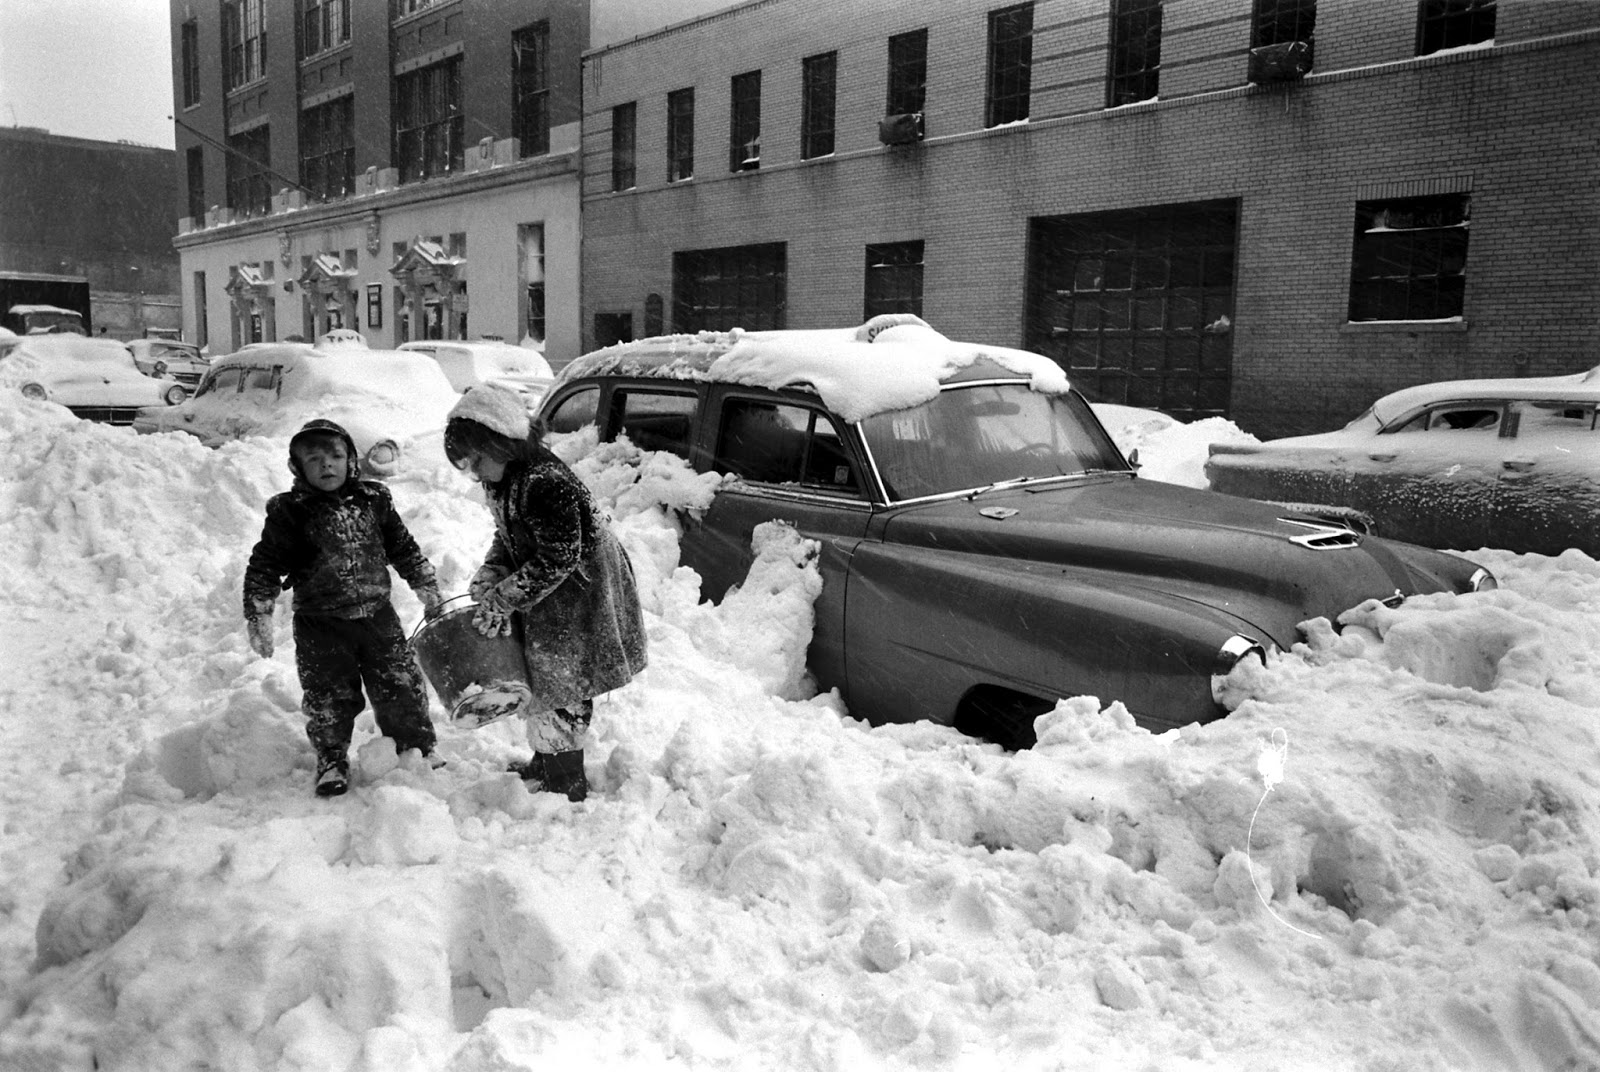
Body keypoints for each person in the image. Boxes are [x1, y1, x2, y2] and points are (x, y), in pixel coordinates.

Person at [444, 384, 647, 802]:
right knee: (544, 673)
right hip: (548, 589)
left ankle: (565, 776)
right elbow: (511, 536)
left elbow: (558, 558)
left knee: (565, 679)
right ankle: (547, 759)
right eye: (466, 465)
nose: (474, 471)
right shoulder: (501, 480)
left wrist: (503, 598)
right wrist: (493, 569)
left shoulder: (544, 482)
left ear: (502, 440)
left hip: (581, 589)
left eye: (477, 459)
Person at [243, 419, 443, 797]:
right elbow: (265, 563)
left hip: (378, 617)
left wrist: (427, 586)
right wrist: (259, 611)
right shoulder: (291, 511)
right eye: (314, 459)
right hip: (321, 624)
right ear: (297, 467)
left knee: (400, 685)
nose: (327, 465)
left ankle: (415, 747)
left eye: (335, 456)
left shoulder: (374, 500)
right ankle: (332, 757)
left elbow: (403, 547)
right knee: (328, 696)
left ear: (351, 459)